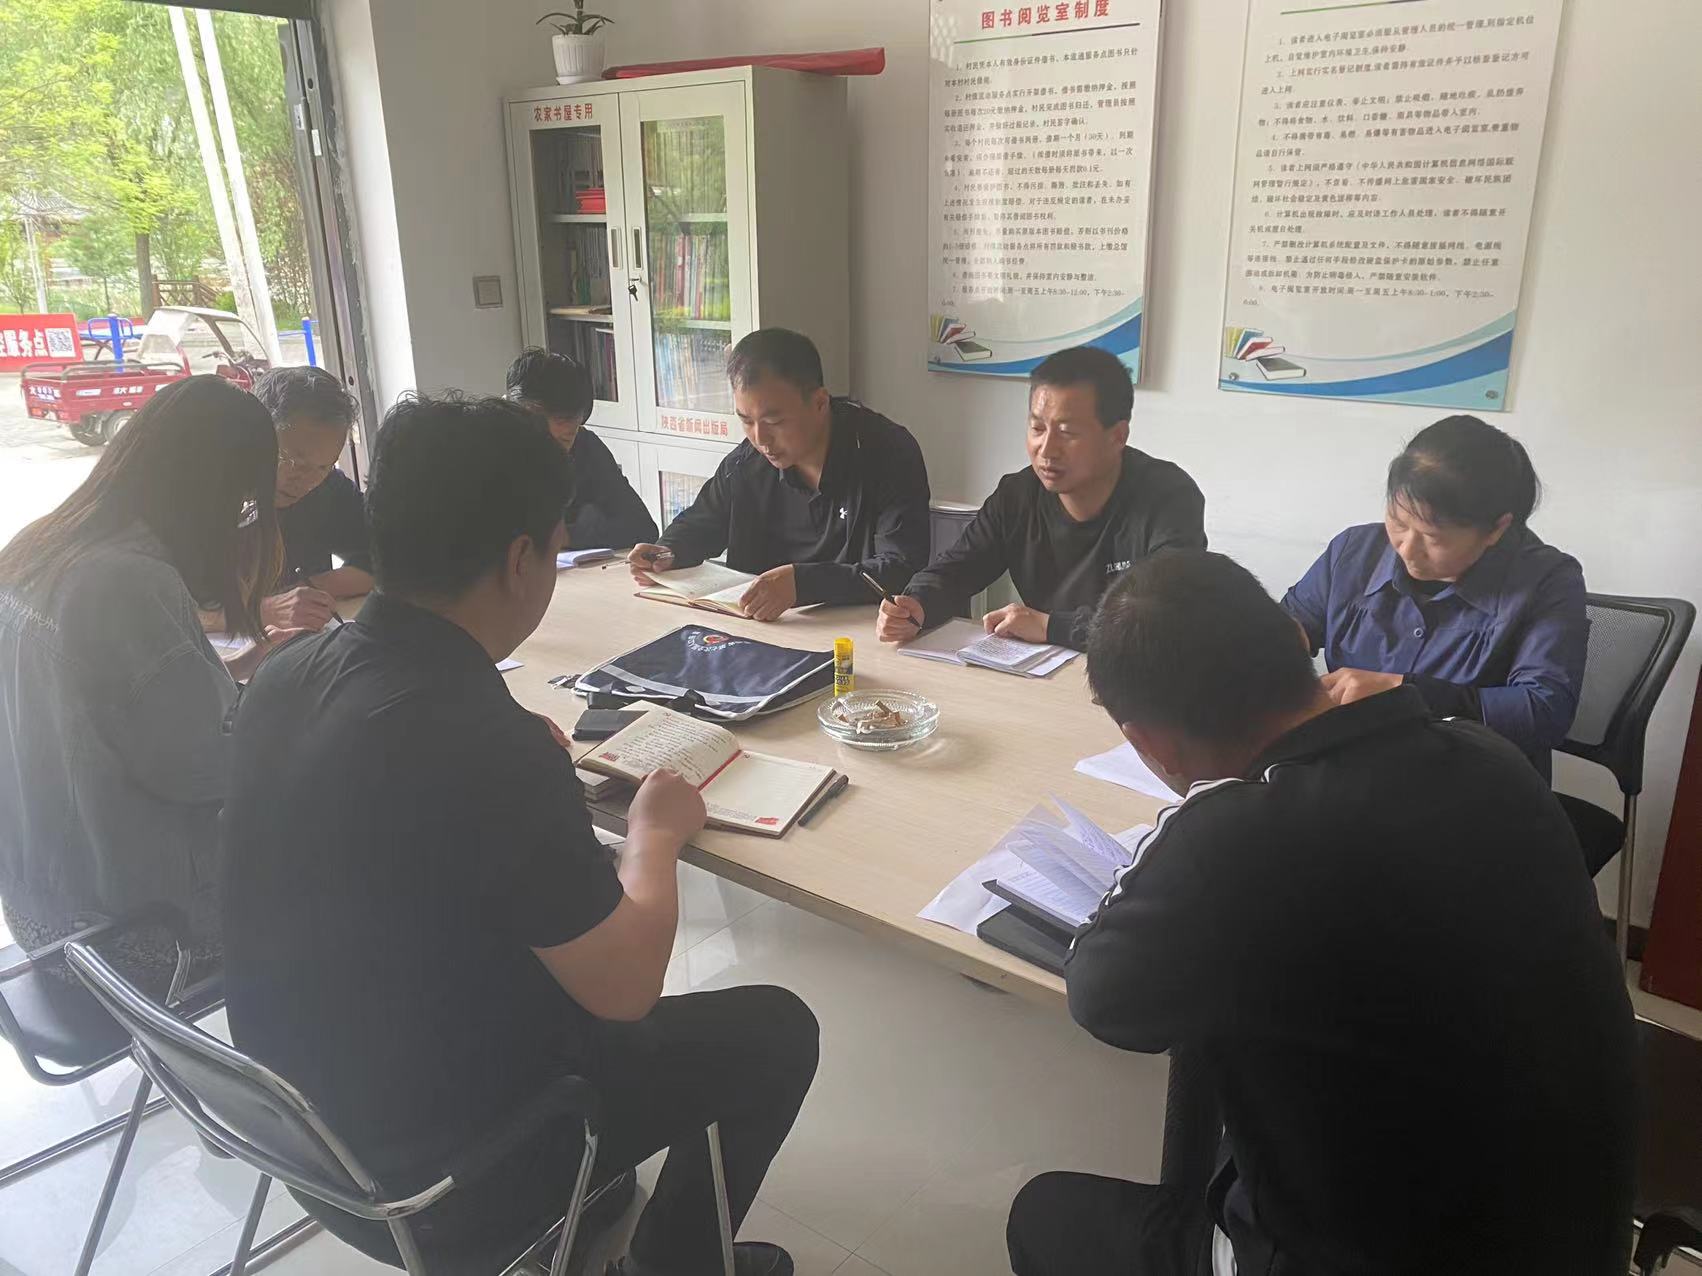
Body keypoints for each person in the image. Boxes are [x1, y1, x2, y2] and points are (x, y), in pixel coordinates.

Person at [222, 394, 818, 1276]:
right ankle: (675, 1262)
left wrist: (520, 772)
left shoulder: (290, 673)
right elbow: (626, 988)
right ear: (520, 559)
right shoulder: (479, 741)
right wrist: (653, 835)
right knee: (775, 1030)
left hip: (297, 1126)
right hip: (441, 1178)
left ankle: (595, 1205)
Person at [1007, 551, 1636, 1276]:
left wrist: (1195, 816)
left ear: (1147, 740)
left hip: (1368, 1254)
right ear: (1294, 639)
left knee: (1043, 1213)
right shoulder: (1489, 756)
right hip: (1579, 1238)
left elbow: (1104, 1000)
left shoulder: (1234, 837)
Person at [0, 376, 290, 991]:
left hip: (40, 907)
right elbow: (202, 770)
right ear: (214, 492)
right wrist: (294, 712)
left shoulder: (41, 547)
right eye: (244, 503)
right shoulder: (126, 581)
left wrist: (237, 673)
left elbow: (106, 708)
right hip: (137, 934)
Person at [1281, 414, 1586, 782]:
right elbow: (1289, 628)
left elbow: (1544, 711)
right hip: (1353, 772)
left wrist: (1403, 691)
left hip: (1472, 784)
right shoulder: (1353, 552)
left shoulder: (1548, 580)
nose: (1406, 549)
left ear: (1496, 529)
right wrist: (1271, 645)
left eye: (1432, 537)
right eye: (1398, 522)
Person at [877, 346, 1205, 652]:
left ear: (1117, 436)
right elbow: (955, 570)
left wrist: (1051, 627)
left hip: (1132, 677)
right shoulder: (1017, 496)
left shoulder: (1168, 497)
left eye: (1067, 433)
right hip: (1045, 674)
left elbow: (1166, 619)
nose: (1047, 450)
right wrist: (915, 605)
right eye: (1037, 428)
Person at [627, 327, 930, 621]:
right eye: (746, 421)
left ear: (819, 403)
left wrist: (803, 584)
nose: (760, 439)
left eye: (774, 421)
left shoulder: (886, 452)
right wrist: (668, 551)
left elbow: (900, 567)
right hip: (758, 626)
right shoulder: (747, 461)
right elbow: (703, 521)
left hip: (857, 631)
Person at [207, 365, 372, 634]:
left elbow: (385, 558)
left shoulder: (326, 488)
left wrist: (312, 586)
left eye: (324, 466)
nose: (307, 480)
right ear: (254, 437)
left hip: (301, 643)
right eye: (292, 460)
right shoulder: (208, 495)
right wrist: (263, 610)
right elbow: (164, 607)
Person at [505, 346, 659, 550]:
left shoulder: (585, 446)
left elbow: (642, 528)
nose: (551, 454)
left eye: (565, 440)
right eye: (541, 439)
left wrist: (567, 536)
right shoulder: (485, 451)